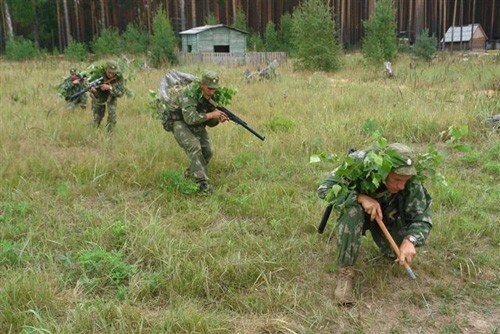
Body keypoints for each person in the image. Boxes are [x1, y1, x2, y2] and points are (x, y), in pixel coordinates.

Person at [317, 143, 432, 305]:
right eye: (397, 179)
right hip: (358, 212)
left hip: (387, 215)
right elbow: (324, 189)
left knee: (396, 252)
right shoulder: (357, 164)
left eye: (405, 180)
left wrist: (410, 240)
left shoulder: (411, 183)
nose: (402, 186)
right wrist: (360, 198)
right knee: (352, 212)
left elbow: (422, 217)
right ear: (383, 171)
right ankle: (345, 272)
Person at [170, 71, 229, 193]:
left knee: (208, 150)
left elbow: (209, 123)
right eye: (209, 88)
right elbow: (190, 119)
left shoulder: (210, 96)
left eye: (214, 89)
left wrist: (217, 118)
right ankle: (202, 185)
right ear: (202, 84)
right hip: (180, 121)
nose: (212, 92)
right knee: (195, 147)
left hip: (195, 122)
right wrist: (212, 114)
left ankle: (189, 174)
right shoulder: (188, 93)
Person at [88, 60, 126, 131]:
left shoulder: (119, 77)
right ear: (105, 69)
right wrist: (92, 90)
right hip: (99, 96)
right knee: (97, 116)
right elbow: (89, 84)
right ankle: (93, 131)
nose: (111, 75)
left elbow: (120, 93)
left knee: (112, 116)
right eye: (109, 72)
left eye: (113, 73)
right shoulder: (98, 74)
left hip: (111, 96)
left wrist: (110, 88)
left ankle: (109, 134)